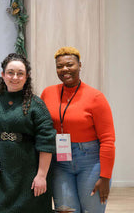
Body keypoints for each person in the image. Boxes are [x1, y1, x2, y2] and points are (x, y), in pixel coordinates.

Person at [41, 47, 116, 213]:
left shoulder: (95, 97)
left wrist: (105, 176)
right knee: (66, 210)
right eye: (60, 66)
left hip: (90, 161)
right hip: (60, 161)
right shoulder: (48, 93)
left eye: (70, 64)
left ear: (79, 65)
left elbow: (108, 139)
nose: (65, 69)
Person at [0, 53, 56, 213]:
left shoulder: (36, 104)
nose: (15, 77)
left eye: (20, 73)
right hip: (1, 171)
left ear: (27, 76)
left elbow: (47, 142)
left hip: (29, 172)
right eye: (10, 72)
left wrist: (41, 176)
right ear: (3, 75)